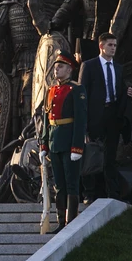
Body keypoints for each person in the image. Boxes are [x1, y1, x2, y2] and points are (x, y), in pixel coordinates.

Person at [79, 33, 132, 202]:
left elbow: (119, 89)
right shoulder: (89, 66)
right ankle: (89, 194)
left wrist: (128, 94)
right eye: (110, 45)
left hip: (113, 115)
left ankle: (113, 194)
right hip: (95, 116)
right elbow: (83, 94)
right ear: (101, 46)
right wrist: (85, 126)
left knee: (110, 156)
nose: (113, 48)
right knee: (90, 154)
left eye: (115, 45)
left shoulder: (118, 68)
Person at [39, 51, 87, 231]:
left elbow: (81, 120)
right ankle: (61, 221)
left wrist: (77, 147)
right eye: (56, 67)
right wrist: (44, 143)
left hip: (69, 142)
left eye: (60, 67)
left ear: (69, 69)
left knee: (71, 182)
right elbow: (46, 120)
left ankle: (71, 220)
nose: (56, 69)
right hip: (54, 142)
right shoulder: (51, 90)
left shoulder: (76, 89)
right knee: (59, 184)